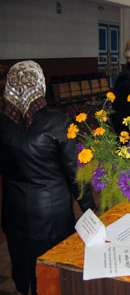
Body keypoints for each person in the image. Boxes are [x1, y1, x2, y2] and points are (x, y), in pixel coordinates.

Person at [0, 61, 95, 295]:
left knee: (21, 262)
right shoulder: (58, 123)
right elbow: (75, 173)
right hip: (52, 213)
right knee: (51, 265)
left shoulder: (2, 124)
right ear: (40, 85)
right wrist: (89, 207)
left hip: (14, 210)